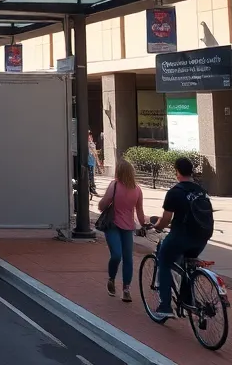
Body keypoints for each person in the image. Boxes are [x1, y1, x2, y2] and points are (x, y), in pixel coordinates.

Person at [147, 156, 215, 319]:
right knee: (189, 265)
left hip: (181, 236)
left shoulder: (175, 192)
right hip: (202, 237)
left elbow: (166, 220)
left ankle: (165, 306)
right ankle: (188, 301)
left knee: (163, 261)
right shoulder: (202, 191)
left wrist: (156, 226)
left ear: (177, 172)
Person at [97, 159, 148, 302]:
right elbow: (140, 212)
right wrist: (145, 223)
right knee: (119, 255)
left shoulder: (121, 187)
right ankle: (112, 279)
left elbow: (102, 205)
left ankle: (126, 289)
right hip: (114, 225)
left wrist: (143, 224)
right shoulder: (131, 188)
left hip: (126, 227)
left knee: (124, 257)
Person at [87, 131, 102, 195]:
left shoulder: (92, 144)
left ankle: (92, 188)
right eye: (89, 136)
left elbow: (95, 154)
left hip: (92, 162)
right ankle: (91, 188)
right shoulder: (87, 144)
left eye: (90, 136)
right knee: (90, 175)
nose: (90, 137)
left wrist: (98, 163)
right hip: (88, 162)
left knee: (92, 175)